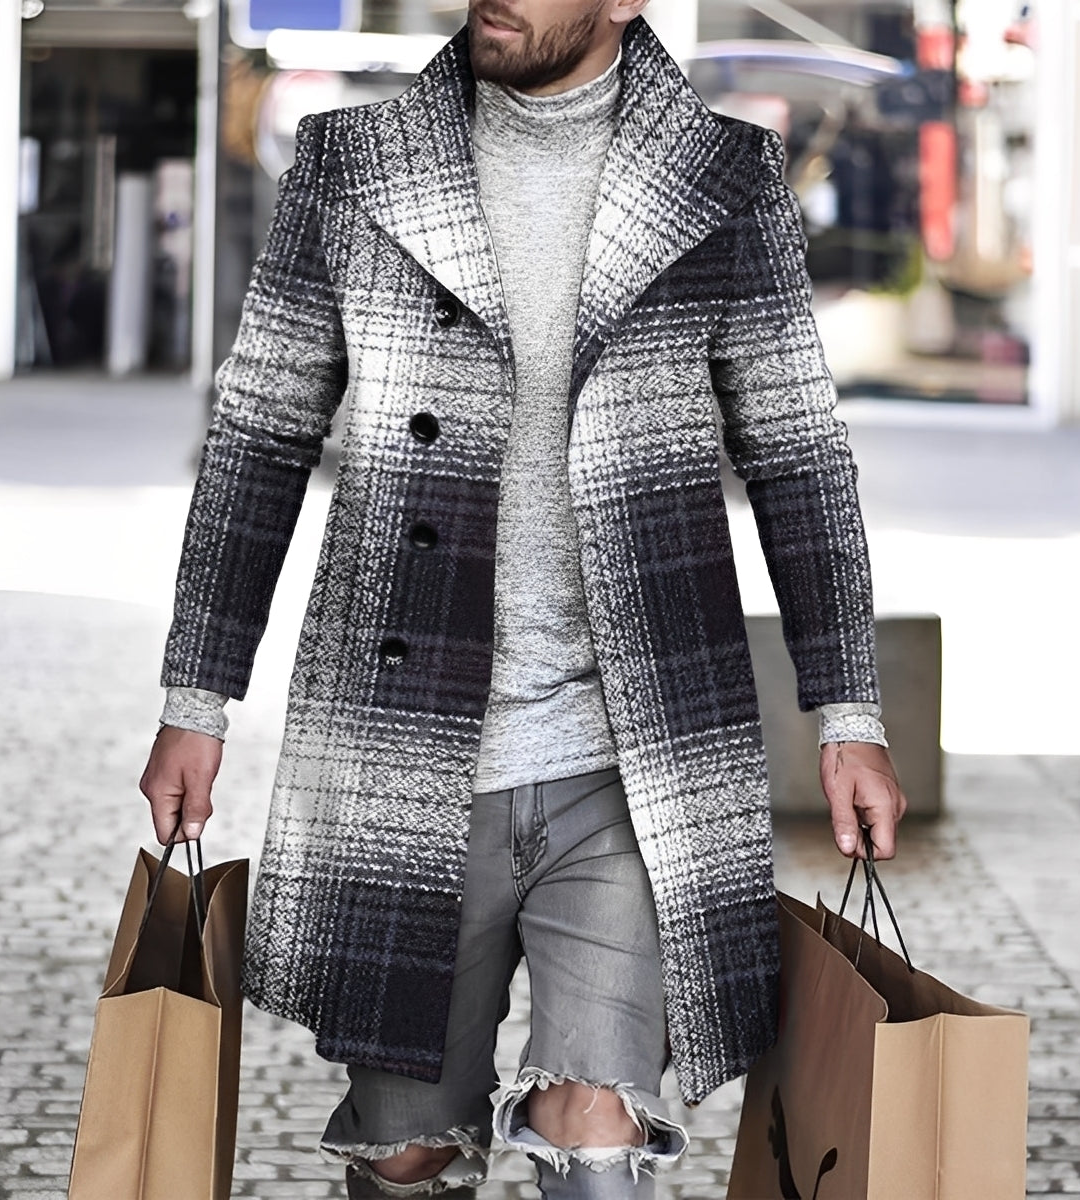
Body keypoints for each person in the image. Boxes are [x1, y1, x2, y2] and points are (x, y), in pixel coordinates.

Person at [139, 2, 907, 1196]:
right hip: (409, 754)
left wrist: (848, 713)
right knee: (406, 1153)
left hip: (631, 759)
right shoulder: (354, 164)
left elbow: (798, 450)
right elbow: (260, 431)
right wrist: (198, 694)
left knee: (597, 1140)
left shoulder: (722, 177)